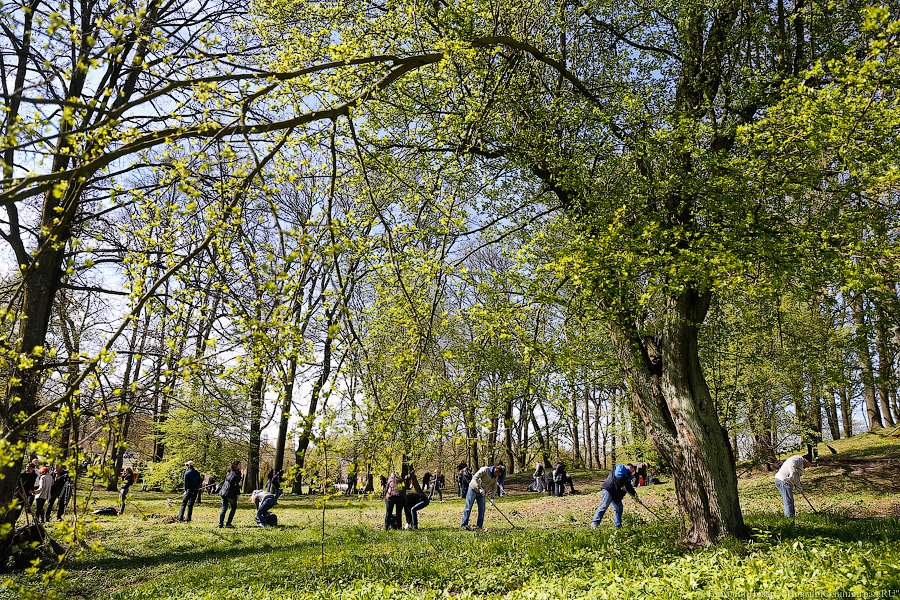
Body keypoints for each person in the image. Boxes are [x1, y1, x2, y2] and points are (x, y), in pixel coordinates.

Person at [591, 463, 637, 529]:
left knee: (619, 508)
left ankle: (618, 526)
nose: (633, 471)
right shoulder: (621, 467)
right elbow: (618, 476)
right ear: (630, 467)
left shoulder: (628, 476)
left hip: (616, 493)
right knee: (604, 505)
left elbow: (629, 488)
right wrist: (622, 484)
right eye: (633, 470)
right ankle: (594, 523)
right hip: (609, 489)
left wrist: (635, 497)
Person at [460, 465, 503, 530]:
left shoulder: (495, 477)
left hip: (482, 493)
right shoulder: (485, 470)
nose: (498, 476)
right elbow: (475, 477)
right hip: (473, 489)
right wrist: (480, 488)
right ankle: (463, 525)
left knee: (482, 510)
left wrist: (492, 498)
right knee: (468, 508)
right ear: (495, 470)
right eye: (498, 474)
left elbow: (494, 488)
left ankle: (479, 527)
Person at [218, 460, 243, 528]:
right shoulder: (237, 473)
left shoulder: (229, 471)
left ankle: (220, 524)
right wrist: (238, 494)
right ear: (236, 465)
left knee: (224, 508)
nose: (241, 466)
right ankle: (228, 523)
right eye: (239, 465)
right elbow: (236, 485)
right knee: (234, 507)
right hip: (230, 493)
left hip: (223, 492)